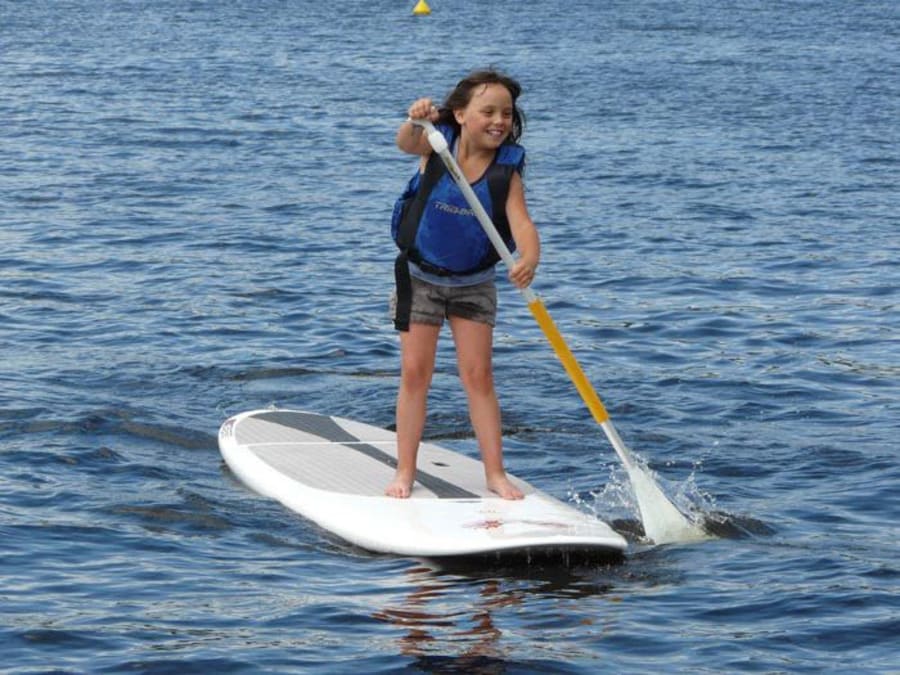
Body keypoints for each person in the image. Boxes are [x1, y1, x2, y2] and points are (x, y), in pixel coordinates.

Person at [386, 69, 540, 500]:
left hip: (474, 284)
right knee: (416, 374)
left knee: (479, 376)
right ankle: (404, 472)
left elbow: (523, 225)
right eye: (488, 111)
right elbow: (405, 142)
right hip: (420, 278)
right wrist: (416, 118)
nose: (499, 120)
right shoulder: (435, 145)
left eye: (506, 113)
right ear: (460, 114)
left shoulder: (505, 173)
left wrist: (529, 258)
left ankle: (495, 474)